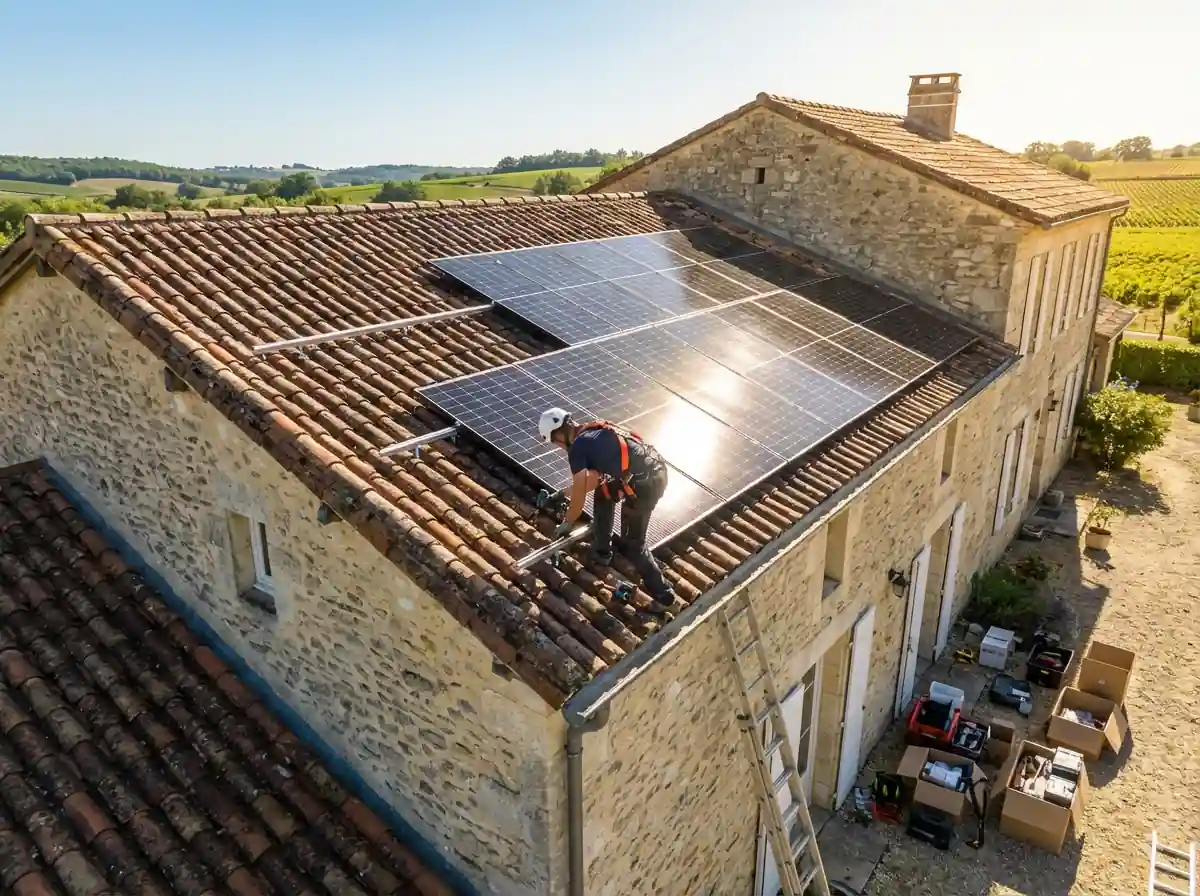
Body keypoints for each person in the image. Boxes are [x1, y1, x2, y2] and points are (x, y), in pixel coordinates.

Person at [537, 407, 676, 614]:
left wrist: (567, 523)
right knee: (604, 493)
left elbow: (579, 497)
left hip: (645, 485)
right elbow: (591, 482)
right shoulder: (592, 432)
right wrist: (560, 495)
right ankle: (602, 552)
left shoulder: (577, 448)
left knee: (633, 545)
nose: (557, 447)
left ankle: (665, 596)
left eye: (554, 441)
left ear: (559, 434)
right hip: (652, 470)